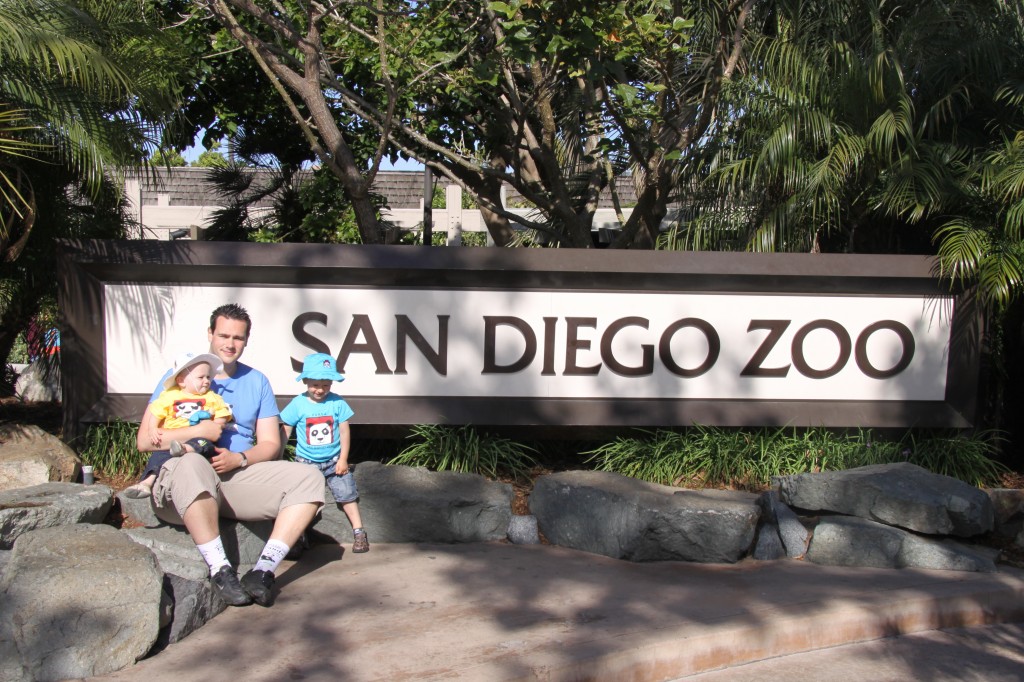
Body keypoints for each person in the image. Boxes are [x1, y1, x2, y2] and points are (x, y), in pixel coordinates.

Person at [133, 303, 325, 608]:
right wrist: (202, 432)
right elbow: (144, 440)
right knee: (193, 462)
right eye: (223, 335)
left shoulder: (257, 381)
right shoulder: (180, 379)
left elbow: (270, 444)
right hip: (182, 479)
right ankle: (220, 570)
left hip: (234, 478)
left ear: (246, 340)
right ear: (210, 334)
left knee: (310, 478)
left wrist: (242, 459)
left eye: (238, 337)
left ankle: (262, 572)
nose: (230, 344)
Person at [281, 353, 369, 554]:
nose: (320, 390)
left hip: (334, 460)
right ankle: (297, 536)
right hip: (306, 462)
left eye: (325, 385)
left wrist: (344, 459)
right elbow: (285, 429)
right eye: (315, 385)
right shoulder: (298, 404)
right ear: (305, 381)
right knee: (301, 499)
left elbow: (345, 431)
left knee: (347, 493)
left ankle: (359, 531)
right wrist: (278, 456)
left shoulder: (337, 403)